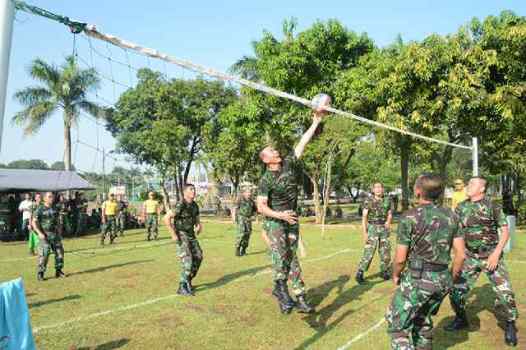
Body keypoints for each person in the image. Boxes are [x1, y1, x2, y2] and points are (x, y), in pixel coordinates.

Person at [256, 102, 328, 314]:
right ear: (266, 160)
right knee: (281, 255)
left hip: (292, 220)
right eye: (270, 151)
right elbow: (261, 207)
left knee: (292, 257)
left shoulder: (289, 164)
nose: (275, 150)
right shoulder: (265, 180)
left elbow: (302, 143)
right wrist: (280, 215)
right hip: (275, 221)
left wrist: (316, 121)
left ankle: (299, 297)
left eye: (274, 149)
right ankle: (280, 289)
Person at [386, 173, 466, 349]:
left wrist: (395, 275)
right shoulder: (452, 216)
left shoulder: (410, 217)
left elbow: (400, 259)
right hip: (442, 279)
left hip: (418, 279)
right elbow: (460, 255)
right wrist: (450, 278)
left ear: (418, 191)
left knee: (397, 326)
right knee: (422, 321)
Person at [445, 176, 518, 346]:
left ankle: (510, 324)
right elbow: (457, 232)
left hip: (491, 255)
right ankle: (461, 319)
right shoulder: (462, 207)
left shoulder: (492, 205)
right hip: (470, 256)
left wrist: (496, 254)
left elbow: (505, 231)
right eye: (468, 183)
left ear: (482, 188)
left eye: (472, 184)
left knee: (505, 294)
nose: (468, 186)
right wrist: (457, 253)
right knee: (455, 291)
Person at [164, 184, 202, 296]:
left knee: (199, 256)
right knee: (187, 260)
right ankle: (182, 286)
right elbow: (166, 218)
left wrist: (199, 225)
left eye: (194, 189)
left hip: (191, 235)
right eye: (191, 189)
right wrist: (173, 234)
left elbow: (196, 217)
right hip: (181, 234)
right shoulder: (181, 204)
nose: (193, 191)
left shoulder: (195, 205)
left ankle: (187, 280)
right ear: (185, 192)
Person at [356, 182, 393, 284]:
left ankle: (384, 271)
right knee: (369, 252)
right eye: (376, 188)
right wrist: (365, 233)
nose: (378, 189)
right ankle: (360, 272)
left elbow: (389, 213)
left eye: (380, 187)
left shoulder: (387, 200)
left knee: (385, 251)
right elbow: (364, 217)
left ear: (383, 189)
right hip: (372, 227)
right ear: (373, 190)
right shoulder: (368, 200)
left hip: (384, 228)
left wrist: (388, 222)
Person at [33, 192, 66, 281]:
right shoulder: (40, 209)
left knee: (60, 253)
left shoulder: (55, 208)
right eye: (50, 197)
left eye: (52, 196)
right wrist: (39, 233)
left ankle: (58, 271)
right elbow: (34, 222)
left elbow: (58, 221)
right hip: (45, 235)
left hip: (55, 235)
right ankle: (41, 273)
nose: (52, 198)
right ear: (44, 198)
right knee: (45, 254)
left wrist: (59, 231)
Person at [232, 188, 257, 257]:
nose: (249, 194)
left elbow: (255, 210)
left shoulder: (252, 201)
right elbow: (235, 208)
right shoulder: (240, 199)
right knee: (241, 233)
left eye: (250, 193)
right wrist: (233, 217)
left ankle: (243, 249)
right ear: (244, 193)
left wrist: (254, 217)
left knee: (247, 234)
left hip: (248, 219)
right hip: (241, 218)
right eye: (248, 192)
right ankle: (237, 249)